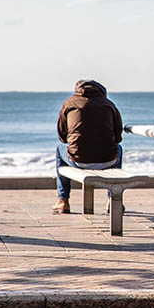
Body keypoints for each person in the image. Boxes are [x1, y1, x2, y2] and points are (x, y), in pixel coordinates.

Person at [54, 79, 123, 213]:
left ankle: (63, 200)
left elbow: (62, 137)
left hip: (78, 160)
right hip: (107, 161)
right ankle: (112, 198)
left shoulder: (69, 104)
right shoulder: (109, 105)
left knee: (59, 149)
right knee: (118, 149)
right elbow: (118, 136)